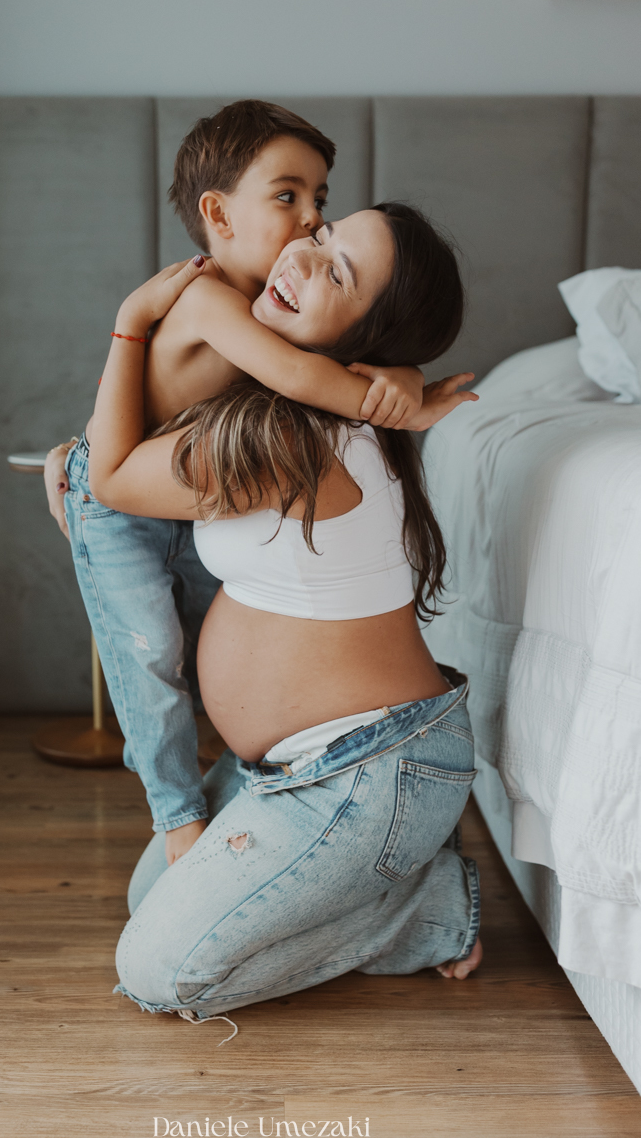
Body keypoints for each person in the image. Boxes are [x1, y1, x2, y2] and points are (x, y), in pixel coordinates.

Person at [84, 202, 482, 1037]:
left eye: (338, 272)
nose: (302, 254)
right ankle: (390, 878)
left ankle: (425, 910)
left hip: (368, 776)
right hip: (312, 768)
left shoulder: (290, 441)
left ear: (366, 339)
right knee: (146, 896)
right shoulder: (314, 410)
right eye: (322, 234)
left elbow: (113, 478)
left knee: (157, 969)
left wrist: (127, 325)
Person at [45, 101, 426, 867]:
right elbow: (297, 375)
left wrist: (403, 369)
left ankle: (228, 772)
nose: (312, 220)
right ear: (217, 213)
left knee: (186, 631)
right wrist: (395, 400)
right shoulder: (208, 296)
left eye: (320, 201)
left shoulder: (271, 307)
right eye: (288, 197)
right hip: (119, 499)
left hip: (168, 494)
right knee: (147, 653)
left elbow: (332, 355)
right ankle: (174, 812)